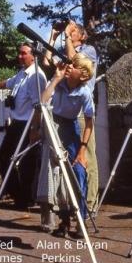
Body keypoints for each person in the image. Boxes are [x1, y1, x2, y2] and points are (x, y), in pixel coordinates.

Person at [44, 20, 100, 215]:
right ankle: (69, 206)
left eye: (74, 30)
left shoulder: (89, 50)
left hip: (81, 109)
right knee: (64, 162)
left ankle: (90, 206)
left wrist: (66, 37)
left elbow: (74, 59)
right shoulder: (64, 49)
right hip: (64, 112)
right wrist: (53, 35)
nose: (70, 31)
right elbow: (46, 61)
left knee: (85, 158)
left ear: (82, 36)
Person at [37, 53, 94, 237]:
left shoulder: (85, 92)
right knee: (57, 174)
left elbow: (89, 123)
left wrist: (82, 151)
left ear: (84, 75)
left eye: (74, 65)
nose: (69, 66)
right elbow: (42, 102)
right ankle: (64, 221)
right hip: (54, 125)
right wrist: (55, 78)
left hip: (70, 128)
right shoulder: (59, 83)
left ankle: (81, 220)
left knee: (78, 172)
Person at [0, 43, 47, 209]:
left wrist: (35, 130)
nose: (19, 56)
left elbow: (38, 106)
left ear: (33, 55)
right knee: (4, 158)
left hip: (28, 124)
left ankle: (25, 199)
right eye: (19, 53)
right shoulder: (22, 73)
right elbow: (9, 82)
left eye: (23, 53)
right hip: (17, 123)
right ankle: (19, 196)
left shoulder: (36, 77)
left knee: (27, 163)